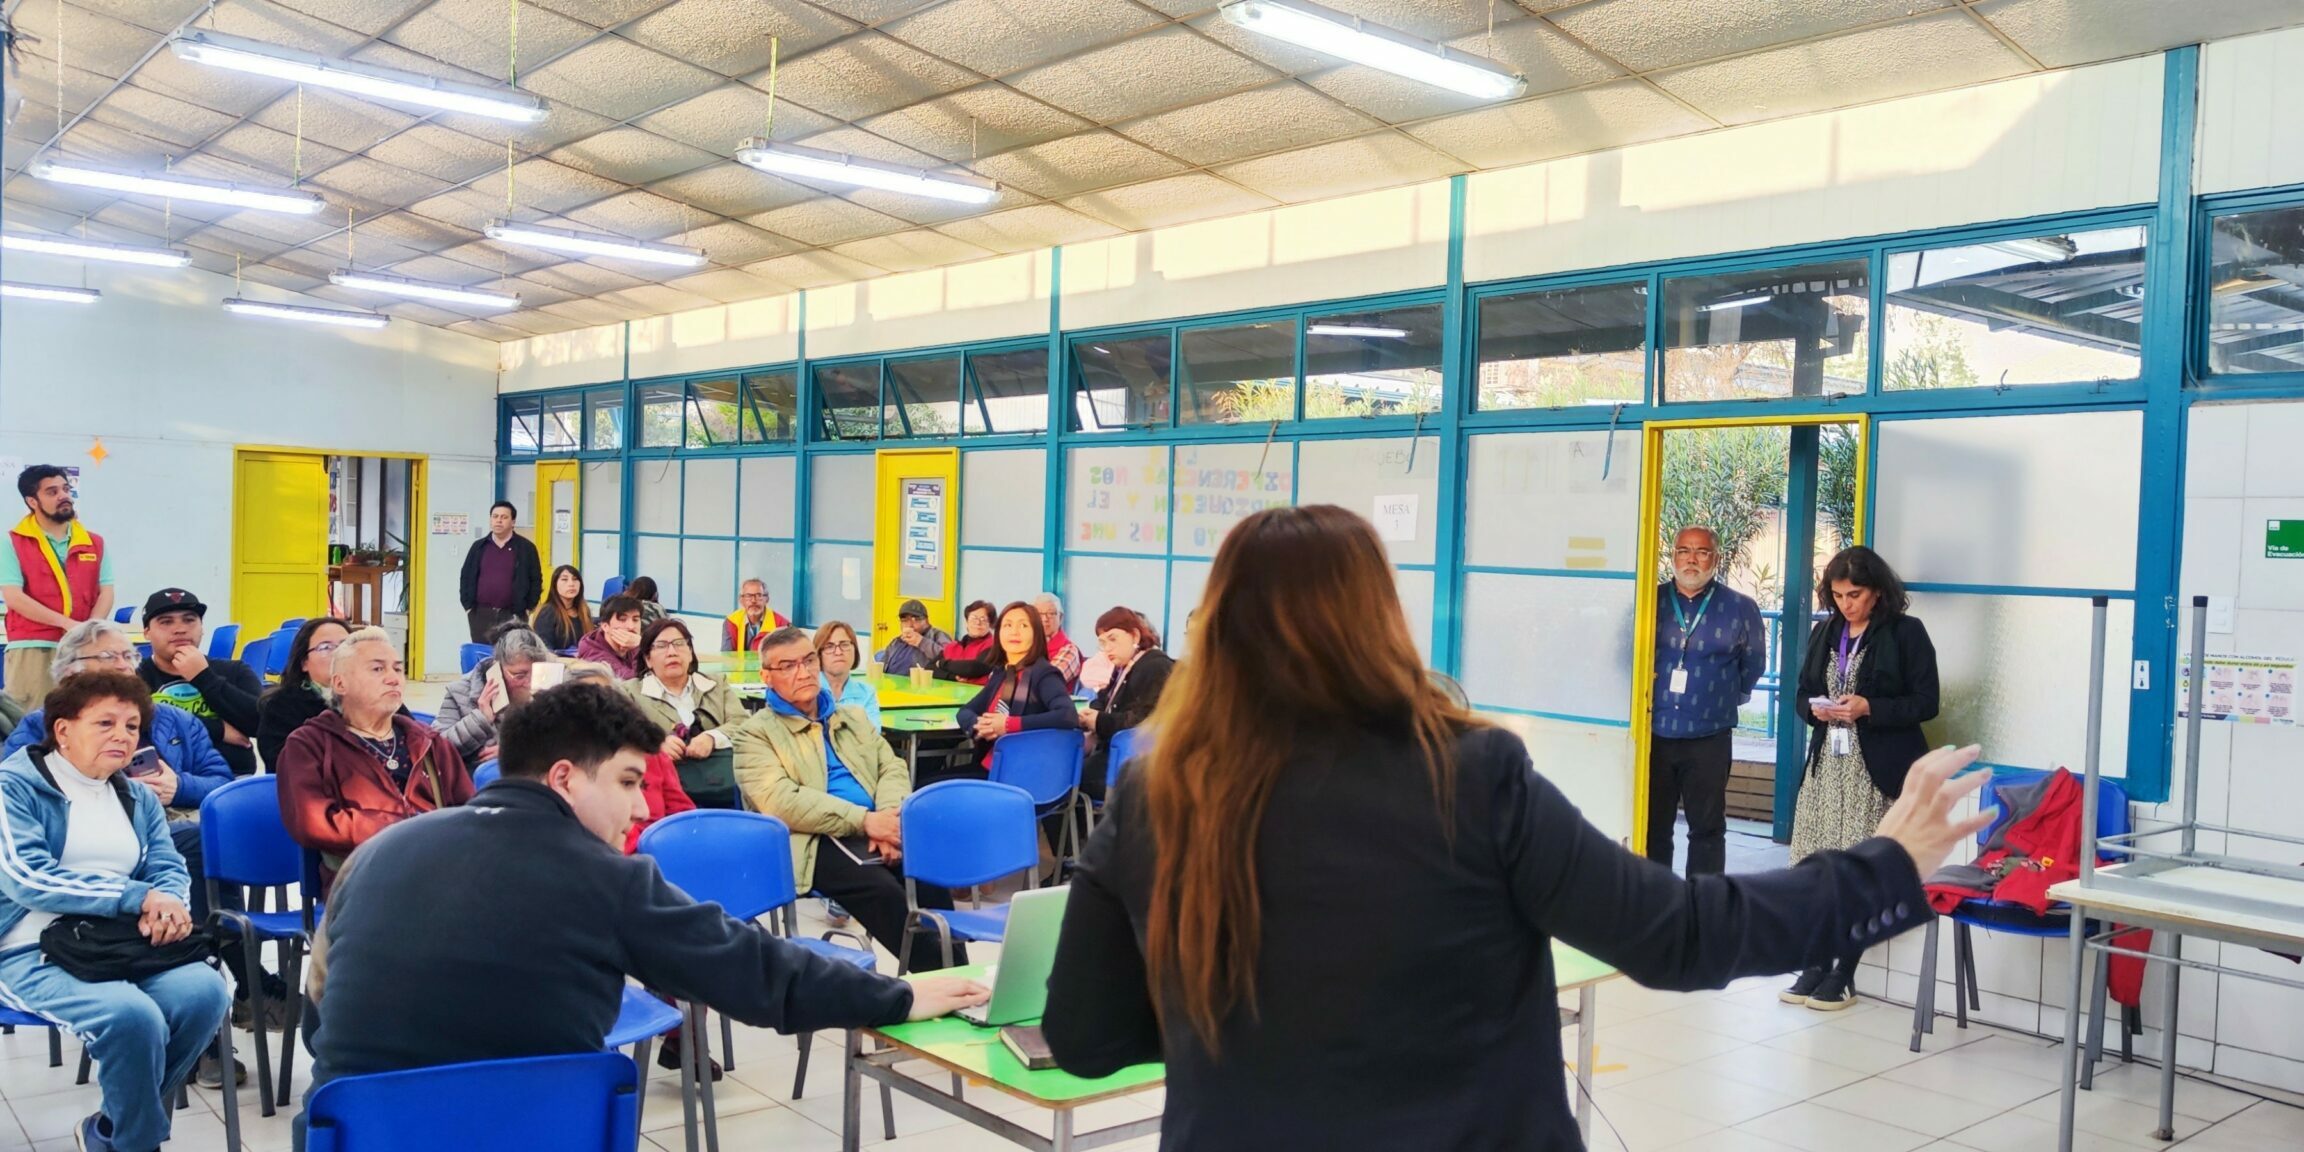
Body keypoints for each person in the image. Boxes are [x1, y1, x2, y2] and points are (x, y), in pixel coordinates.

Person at [1039, 505, 1990, 1151]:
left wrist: (1252, 1030)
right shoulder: (1468, 775)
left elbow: (1082, 1036)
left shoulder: (1158, 794)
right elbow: (1681, 936)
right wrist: (1887, 865)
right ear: (1379, 621)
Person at [298, 680, 987, 1131]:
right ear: (564, 778)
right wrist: (897, 994)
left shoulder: (377, 855)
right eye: (629, 782)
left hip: (360, 1131)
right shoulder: (606, 879)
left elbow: (318, 1017)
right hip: (539, 1131)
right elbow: (757, 973)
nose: (638, 808)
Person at [1, 621, 284, 1061]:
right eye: (108, 657)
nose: (124, 665)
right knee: (193, 846)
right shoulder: (42, 727)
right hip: (94, 876)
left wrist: (179, 786)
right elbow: (17, 793)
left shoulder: (171, 717)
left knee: (196, 842)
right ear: (71, 672)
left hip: (170, 833)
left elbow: (225, 782)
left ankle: (204, 983)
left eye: (129, 657)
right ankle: (239, 983)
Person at [0, 671, 233, 1152]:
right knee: (132, 1018)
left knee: (205, 992)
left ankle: (113, 1130)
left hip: (118, 943)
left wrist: (167, 907)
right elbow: (27, 877)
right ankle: (135, 1142)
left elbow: (167, 866)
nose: (122, 736)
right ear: (63, 730)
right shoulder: (13, 788)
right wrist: (137, 898)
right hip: (28, 947)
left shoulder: (136, 795)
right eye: (104, 723)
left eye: (131, 726)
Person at [733, 627, 965, 974]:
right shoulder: (754, 734)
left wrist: (888, 816)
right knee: (882, 891)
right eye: (788, 666)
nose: (803, 672)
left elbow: (891, 766)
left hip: (877, 823)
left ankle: (960, 977)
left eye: (809, 660)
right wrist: (865, 821)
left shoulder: (851, 717)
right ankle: (950, 983)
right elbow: (782, 801)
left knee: (928, 871)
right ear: (766, 676)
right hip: (812, 839)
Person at [1786, 545, 1941, 1011]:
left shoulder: (1906, 633)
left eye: (1854, 595)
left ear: (1877, 591)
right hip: (1827, 771)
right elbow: (1801, 694)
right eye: (1837, 596)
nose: (1845, 605)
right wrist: (1817, 710)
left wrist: (1870, 707)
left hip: (1874, 774)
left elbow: (1926, 702)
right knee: (1818, 869)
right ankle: (1815, 963)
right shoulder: (1826, 631)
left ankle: (1844, 973)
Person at [277, 628, 474, 898]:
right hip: (362, 881)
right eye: (377, 669)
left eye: (398, 669)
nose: (393, 678)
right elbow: (313, 822)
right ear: (340, 684)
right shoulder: (309, 745)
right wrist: (403, 827)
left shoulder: (429, 741)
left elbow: (468, 812)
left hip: (437, 871)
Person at [1647, 526, 1767, 878]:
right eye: (1684, 551)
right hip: (1655, 733)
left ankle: (1704, 902)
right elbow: (1623, 657)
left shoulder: (1741, 607)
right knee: (1653, 826)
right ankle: (1656, 898)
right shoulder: (1649, 600)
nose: (1692, 559)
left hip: (1710, 736)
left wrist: (1720, 697)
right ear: (1673, 556)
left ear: (1716, 558)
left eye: (1701, 552)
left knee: (1707, 829)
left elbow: (1754, 664)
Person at [2, 465, 114, 707]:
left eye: (65, 489)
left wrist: (88, 630)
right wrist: (67, 624)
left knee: (86, 714)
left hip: (84, 647)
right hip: (35, 646)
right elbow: (14, 597)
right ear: (32, 501)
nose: (63, 496)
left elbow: (106, 592)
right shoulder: (12, 542)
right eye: (52, 492)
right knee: (33, 718)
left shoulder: (94, 542)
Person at [619, 618, 746, 811]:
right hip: (662, 797)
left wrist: (712, 737)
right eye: (661, 646)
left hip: (723, 789)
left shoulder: (717, 685)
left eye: (679, 644)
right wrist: (655, 744)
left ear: (690, 652)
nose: (672, 652)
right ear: (648, 659)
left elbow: (742, 723)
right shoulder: (629, 693)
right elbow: (619, 735)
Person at [137, 588, 265, 779]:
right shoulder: (135, 678)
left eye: (189, 620)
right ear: (147, 632)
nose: (180, 629)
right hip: (160, 779)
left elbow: (261, 724)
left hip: (234, 777)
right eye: (166, 622)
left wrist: (203, 677)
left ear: (202, 628)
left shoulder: (234, 671)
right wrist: (218, 729)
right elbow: (134, 725)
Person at [952, 602, 1076, 780]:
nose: (1014, 632)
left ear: (1036, 634)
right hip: (991, 766)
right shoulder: (1001, 673)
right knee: (924, 783)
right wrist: (979, 725)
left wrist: (1009, 725)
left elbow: (1068, 715)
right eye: (1007, 625)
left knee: (926, 788)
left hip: (1022, 773)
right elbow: (965, 711)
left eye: (1023, 626)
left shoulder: (1044, 673)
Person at [1078, 607, 1173, 805]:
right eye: (1102, 643)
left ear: (1135, 635)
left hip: (1134, 764)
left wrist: (1099, 721)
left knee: (1065, 778)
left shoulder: (1155, 666)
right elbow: (1104, 699)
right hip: (1118, 756)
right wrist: (1091, 713)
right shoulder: (1125, 666)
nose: (1107, 649)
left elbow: (1143, 721)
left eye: (1112, 639)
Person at [433, 627, 554, 763]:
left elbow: (567, 744)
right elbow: (435, 751)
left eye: (538, 674)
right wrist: (479, 720)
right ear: (497, 669)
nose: (530, 682)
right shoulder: (460, 693)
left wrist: (518, 751)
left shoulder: (554, 690)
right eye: (520, 675)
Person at [256, 619, 351, 773]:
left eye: (346, 646)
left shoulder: (373, 697)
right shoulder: (281, 706)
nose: (339, 654)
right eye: (326, 647)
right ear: (304, 662)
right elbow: (285, 766)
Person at [457, 501, 542, 644]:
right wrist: (468, 607)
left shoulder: (526, 548)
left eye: (504, 517)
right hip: (480, 615)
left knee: (511, 653)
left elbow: (536, 579)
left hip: (513, 615)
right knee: (484, 655)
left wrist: (528, 608)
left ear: (513, 522)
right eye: (495, 516)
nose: (498, 520)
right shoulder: (479, 547)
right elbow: (466, 576)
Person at [815, 620, 880, 727]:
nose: (838, 652)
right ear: (819, 654)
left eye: (844, 645)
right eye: (829, 646)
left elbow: (873, 733)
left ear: (855, 650)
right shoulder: (808, 690)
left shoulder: (867, 693)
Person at [574, 595, 646, 680]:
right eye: (622, 619)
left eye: (635, 620)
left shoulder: (635, 643)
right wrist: (640, 648)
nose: (631, 626)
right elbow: (632, 681)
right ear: (605, 626)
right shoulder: (594, 654)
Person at [874, 599, 950, 677]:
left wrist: (921, 642)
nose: (910, 625)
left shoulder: (937, 635)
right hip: (890, 682)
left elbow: (950, 660)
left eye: (916, 619)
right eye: (905, 620)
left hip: (918, 682)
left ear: (926, 620)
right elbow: (881, 665)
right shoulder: (897, 641)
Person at [932, 600, 998, 684]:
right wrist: (952, 677)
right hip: (949, 691)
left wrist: (942, 664)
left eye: (983, 619)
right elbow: (929, 668)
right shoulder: (952, 646)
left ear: (991, 624)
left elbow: (973, 668)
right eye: (974, 618)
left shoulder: (994, 646)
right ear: (966, 621)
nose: (978, 623)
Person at [529, 565, 591, 653]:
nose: (571, 584)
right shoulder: (547, 611)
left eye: (575, 579)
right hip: (557, 659)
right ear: (555, 584)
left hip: (584, 659)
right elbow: (544, 648)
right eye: (564, 579)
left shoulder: (584, 611)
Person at [723, 578, 791, 654]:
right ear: (741, 601)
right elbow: (726, 656)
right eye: (748, 596)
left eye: (759, 595)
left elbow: (786, 656)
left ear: (767, 599)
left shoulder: (782, 624)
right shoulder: (731, 621)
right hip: (738, 662)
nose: (753, 600)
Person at [1033, 592, 1084, 690]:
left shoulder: (1069, 650)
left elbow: (1047, 682)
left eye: (1051, 613)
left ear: (1060, 618)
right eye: (1038, 614)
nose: (1044, 619)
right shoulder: (1027, 645)